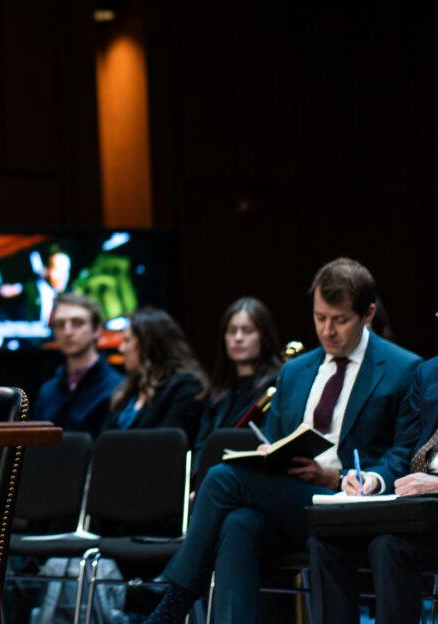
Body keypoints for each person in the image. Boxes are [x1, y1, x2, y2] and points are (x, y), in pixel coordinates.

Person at [143, 257, 421, 624]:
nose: (327, 331)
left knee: (223, 483)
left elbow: (404, 452)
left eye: (340, 320)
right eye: (319, 317)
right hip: (289, 499)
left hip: (350, 504)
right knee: (238, 522)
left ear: (368, 314)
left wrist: (345, 478)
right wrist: (265, 454)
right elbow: (274, 439)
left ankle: (171, 605)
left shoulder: (403, 368)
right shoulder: (296, 370)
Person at [307, 356, 438, 624]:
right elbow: (405, 449)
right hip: (414, 507)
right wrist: (375, 478)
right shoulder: (429, 372)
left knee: (388, 546)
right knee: (327, 541)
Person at [100, 307, 207, 442]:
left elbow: (169, 445)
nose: (121, 348)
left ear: (148, 344)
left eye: (127, 341)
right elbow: (104, 441)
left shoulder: (185, 387)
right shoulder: (128, 389)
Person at [194, 297, 283, 456]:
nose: (238, 338)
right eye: (232, 331)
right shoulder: (216, 391)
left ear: (264, 336)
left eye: (247, 331)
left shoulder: (276, 385)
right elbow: (201, 444)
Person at [32, 293, 122, 436]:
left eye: (77, 323)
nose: (67, 332)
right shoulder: (47, 391)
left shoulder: (117, 388)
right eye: (60, 324)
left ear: (97, 329)